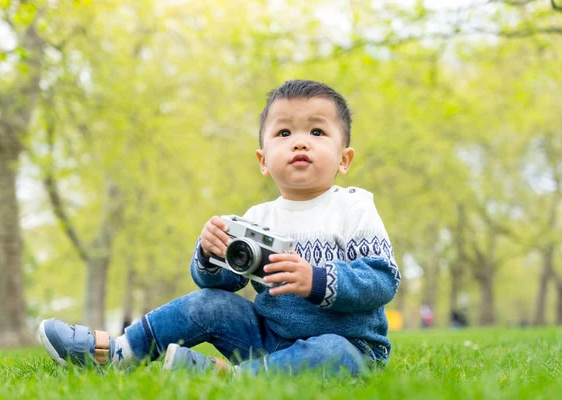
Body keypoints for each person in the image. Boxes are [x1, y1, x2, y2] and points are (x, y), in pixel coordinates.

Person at [39, 80, 401, 377]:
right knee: (210, 304)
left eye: (318, 131)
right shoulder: (257, 217)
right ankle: (119, 352)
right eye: (285, 132)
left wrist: (318, 280)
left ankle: (230, 379)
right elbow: (225, 285)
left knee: (331, 351)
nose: (300, 141)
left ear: (344, 159)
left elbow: (383, 279)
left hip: (350, 348)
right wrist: (210, 256)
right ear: (263, 160)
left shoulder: (353, 207)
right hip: (268, 337)